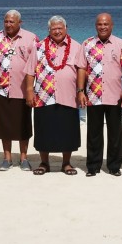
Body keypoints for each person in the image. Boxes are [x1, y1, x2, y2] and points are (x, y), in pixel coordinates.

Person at [28, 16, 85, 175]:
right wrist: (29, 91)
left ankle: (66, 163)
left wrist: (81, 91)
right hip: (43, 96)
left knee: (68, 131)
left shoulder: (76, 47)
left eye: (60, 28)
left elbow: (81, 69)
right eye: (54, 28)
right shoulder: (39, 47)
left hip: (68, 96)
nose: (57, 31)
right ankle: (44, 163)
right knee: (44, 131)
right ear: (49, 30)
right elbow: (30, 71)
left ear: (66, 28)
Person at [79, 13, 122, 177]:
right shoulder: (87, 44)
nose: (103, 27)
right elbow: (81, 67)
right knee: (94, 132)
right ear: (96, 26)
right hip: (93, 96)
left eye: (106, 24)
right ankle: (93, 166)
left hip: (114, 95)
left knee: (115, 133)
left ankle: (114, 166)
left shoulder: (120, 44)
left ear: (112, 25)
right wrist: (81, 91)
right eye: (100, 24)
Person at [0, 10, 37, 171]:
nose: (8, 24)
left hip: (22, 90)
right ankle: (7, 158)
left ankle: (24, 158)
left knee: (23, 125)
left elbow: (37, 64)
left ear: (19, 23)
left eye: (12, 22)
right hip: (1, 89)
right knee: (4, 125)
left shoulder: (31, 38)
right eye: (6, 21)